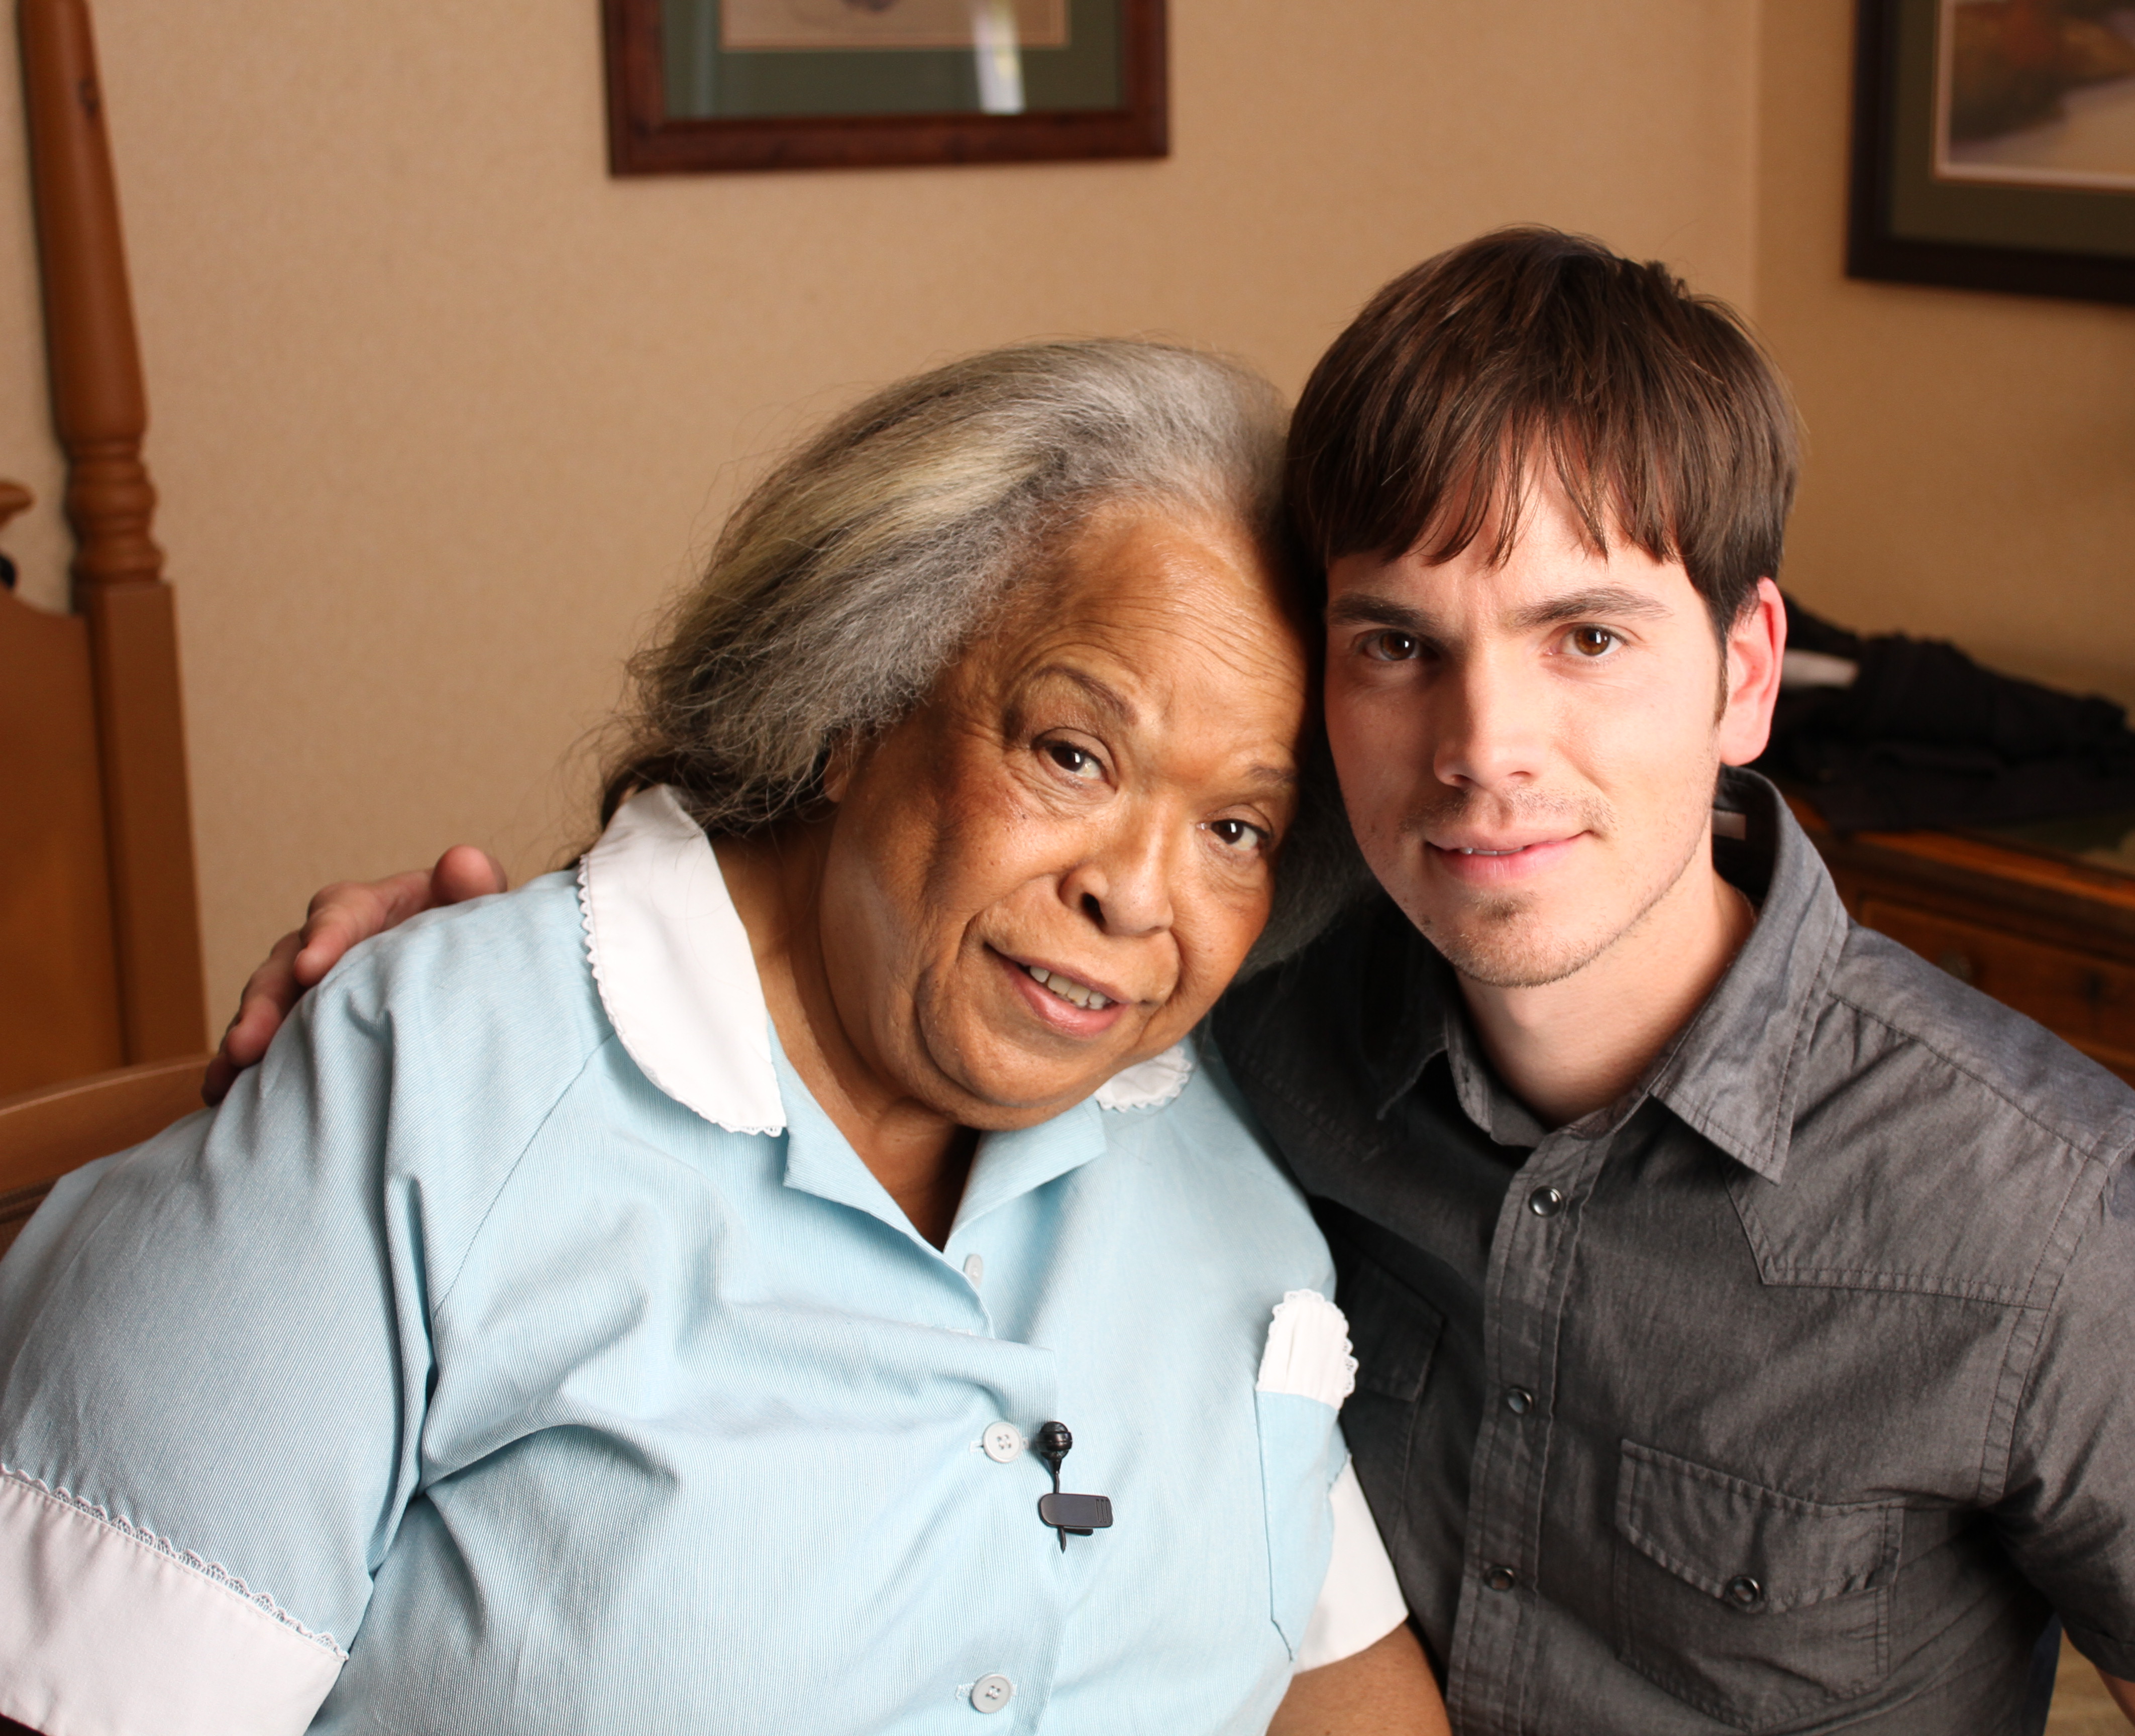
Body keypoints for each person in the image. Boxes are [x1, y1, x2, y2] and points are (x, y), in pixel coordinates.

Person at [208, 231, 2135, 1732]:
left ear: (1748, 673)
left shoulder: (2039, 1228)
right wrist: (496, 975)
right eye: (1398, 643)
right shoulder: (1228, 1033)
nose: (1482, 748)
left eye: (1586, 637)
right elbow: (887, 924)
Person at [0, 341, 1451, 1736]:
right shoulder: (428, 1090)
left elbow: (1335, 1680)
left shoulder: (1223, 1116)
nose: (1137, 895)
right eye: (1072, 753)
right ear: (849, 703)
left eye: (1235, 828)